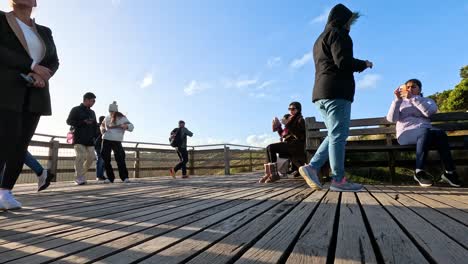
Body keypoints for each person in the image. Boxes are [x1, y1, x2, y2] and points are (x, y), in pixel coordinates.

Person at [299, 4, 373, 192]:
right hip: (336, 92)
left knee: (334, 134)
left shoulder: (320, 39)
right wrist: (363, 64)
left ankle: (313, 167)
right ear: (344, 21)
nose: (350, 26)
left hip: (320, 94)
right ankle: (338, 180)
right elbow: (343, 62)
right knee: (339, 135)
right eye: (350, 22)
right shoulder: (339, 34)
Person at [0, 0, 60, 210]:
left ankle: (6, 192)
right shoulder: (1, 19)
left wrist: (44, 75)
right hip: (6, 88)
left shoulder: (44, 31)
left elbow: (54, 60)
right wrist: (32, 65)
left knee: (20, 143)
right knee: (5, 139)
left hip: (35, 91)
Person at [386, 79, 462, 187]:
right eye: (407, 87)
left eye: (413, 87)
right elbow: (392, 119)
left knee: (440, 133)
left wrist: (413, 99)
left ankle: (449, 173)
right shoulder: (400, 102)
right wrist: (397, 100)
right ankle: (419, 172)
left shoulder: (428, 101)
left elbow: (428, 113)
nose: (410, 89)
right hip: (406, 134)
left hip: (426, 133)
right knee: (425, 132)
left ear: (420, 89)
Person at [260, 102, 306, 183]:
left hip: (296, 146)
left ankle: (274, 174)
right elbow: (283, 135)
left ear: (298, 110)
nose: (291, 111)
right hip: (289, 145)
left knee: (271, 147)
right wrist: (278, 127)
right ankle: (269, 173)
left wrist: (287, 125)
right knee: (268, 148)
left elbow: (300, 136)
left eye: (293, 109)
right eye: (289, 109)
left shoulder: (300, 120)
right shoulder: (290, 119)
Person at [66, 92, 98, 185]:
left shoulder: (92, 112)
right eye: (93, 100)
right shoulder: (75, 109)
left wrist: (95, 136)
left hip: (90, 139)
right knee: (81, 156)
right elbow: (68, 121)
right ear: (86, 100)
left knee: (92, 157)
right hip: (79, 137)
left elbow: (95, 125)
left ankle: (80, 174)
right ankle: (79, 177)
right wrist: (83, 122)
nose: (94, 102)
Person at [101, 101, 134, 183]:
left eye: (113, 111)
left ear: (116, 111)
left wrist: (125, 126)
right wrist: (102, 130)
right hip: (106, 139)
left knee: (120, 158)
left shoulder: (122, 117)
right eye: (110, 111)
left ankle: (124, 177)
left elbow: (132, 127)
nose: (111, 113)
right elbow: (101, 125)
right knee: (105, 158)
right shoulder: (107, 117)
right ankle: (110, 177)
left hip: (116, 140)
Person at [95, 116, 108, 183]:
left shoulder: (104, 127)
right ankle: (99, 176)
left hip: (103, 145)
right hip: (98, 145)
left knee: (103, 161)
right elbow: (98, 136)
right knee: (100, 159)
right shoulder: (97, 126)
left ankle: (101, 175)